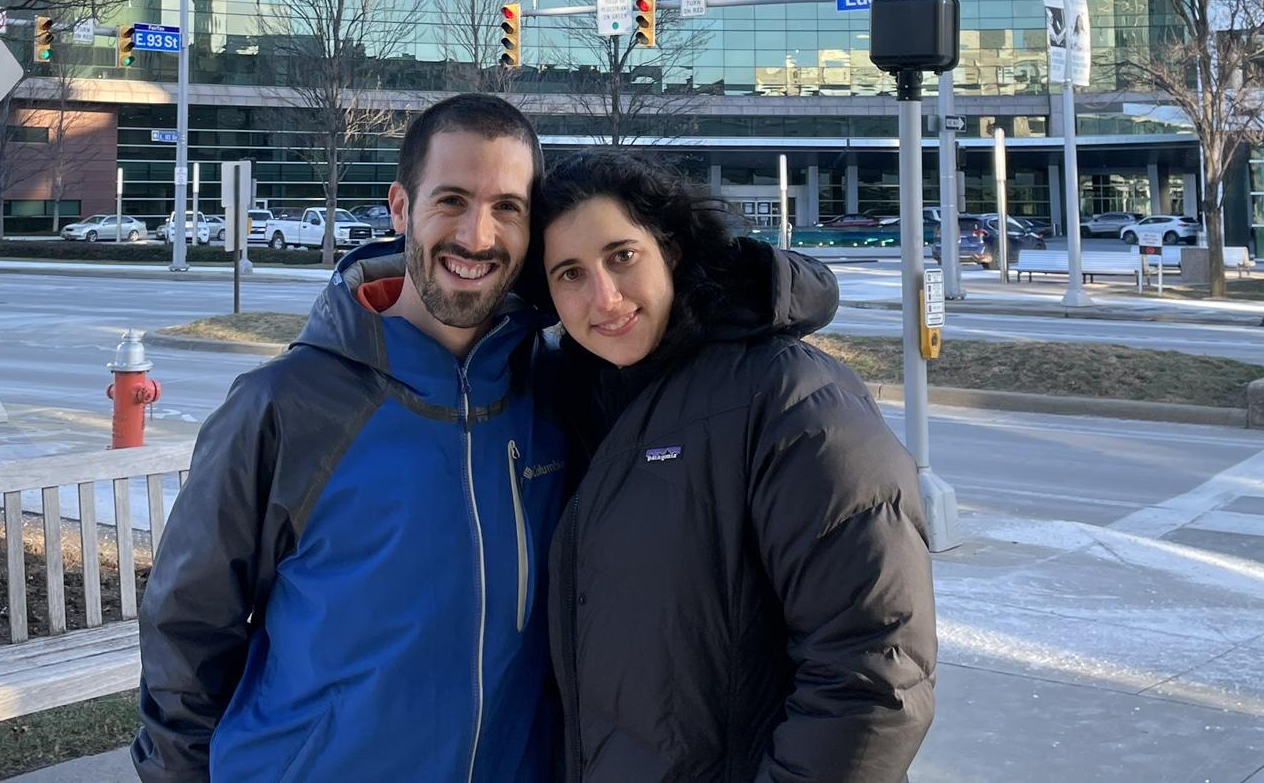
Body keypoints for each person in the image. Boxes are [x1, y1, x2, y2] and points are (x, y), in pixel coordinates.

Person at [133, 94, 566, 782]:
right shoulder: (284, 405)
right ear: (400, 207)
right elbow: (186, 629)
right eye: (451, 200)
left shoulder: (556, 394)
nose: (477, 236)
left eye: (506, 208)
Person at [538, 151, 936, 783]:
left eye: (622, 256)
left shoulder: (790, 399)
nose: (604, 297)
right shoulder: (573, 403)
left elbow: (872, 669)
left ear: (670, 250)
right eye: (570, 273)